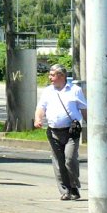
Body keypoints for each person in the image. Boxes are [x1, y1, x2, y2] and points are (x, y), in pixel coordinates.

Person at [34, 64, 87, 201]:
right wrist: (38, 119)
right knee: (58, 162)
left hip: (71, 131)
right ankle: (66, 190)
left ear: (61, 76)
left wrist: (91, 126)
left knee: (70, 159)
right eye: (50, 75)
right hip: (53, 131)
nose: (50, 77)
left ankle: (74, 186)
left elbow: (84, 109)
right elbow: (41, 107)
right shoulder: (47, 91)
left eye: (52, 75)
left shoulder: (75, 90)